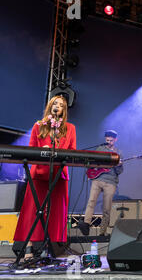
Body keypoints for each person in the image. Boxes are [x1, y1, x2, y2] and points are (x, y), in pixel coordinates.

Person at [14, 95, 76, 261]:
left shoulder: (70, 128)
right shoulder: (38, 125)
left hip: (59, 174)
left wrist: (58, 150)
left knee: (55, 210)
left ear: (64, 110)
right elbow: (31, 150)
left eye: (61, 105)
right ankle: (28, 249)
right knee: (32, 209)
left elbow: (72, 151)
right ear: (50, 107)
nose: (57, 106)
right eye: (55, 103)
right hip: (39, 173)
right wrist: (44, 150)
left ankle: (50, 248)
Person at [78, 130, 123, 236]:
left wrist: (119, 166)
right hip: (97, 179)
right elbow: (93, 163)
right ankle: (86, 224)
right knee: (91, 201)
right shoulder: (100, 149)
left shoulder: (118, 152)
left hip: (111, 182)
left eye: (111, 140)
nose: (109, 142)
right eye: (107, 140)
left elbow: (119, 172)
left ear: (115, 140)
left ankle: (102, 232)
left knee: (106, 208)